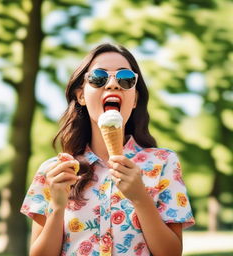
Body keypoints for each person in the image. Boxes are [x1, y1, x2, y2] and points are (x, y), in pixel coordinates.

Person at [21, 43, 195, 256]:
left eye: (125, 78)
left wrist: (140, 198)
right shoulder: (54, 171)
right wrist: (57, 207)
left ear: (135, 99)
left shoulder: (163, 163)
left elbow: (171, 253)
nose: (113, 84)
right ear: (81, 95)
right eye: (98, 77)